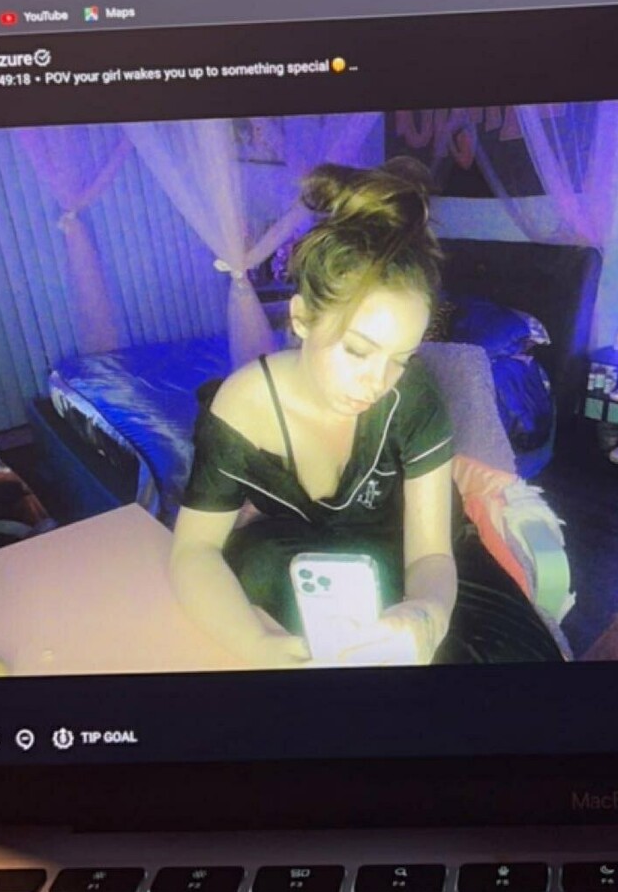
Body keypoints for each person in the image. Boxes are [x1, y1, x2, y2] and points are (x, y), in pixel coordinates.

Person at [170, 159, 564, 668]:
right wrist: (253, 644)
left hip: (422, 553)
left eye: (400, 357)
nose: (378, 383)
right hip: (309, 552)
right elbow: (194, 550)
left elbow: (431, 553)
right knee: (252, 570)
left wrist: (426, 615)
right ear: (301, 318)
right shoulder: (242, 408)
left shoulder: (412, 396)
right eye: (358, 350)